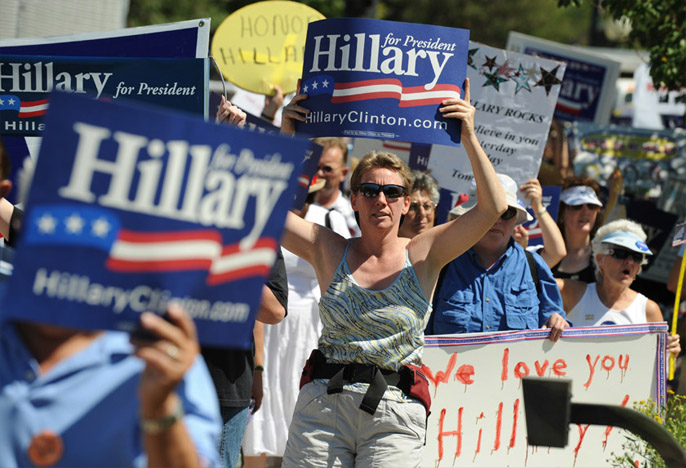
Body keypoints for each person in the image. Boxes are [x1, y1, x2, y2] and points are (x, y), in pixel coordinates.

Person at [279, 78, 508, 467]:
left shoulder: (425, 253)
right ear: (354, 200)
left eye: (393, 193)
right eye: (369, 191)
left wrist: (468, 133)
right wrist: (288, 137)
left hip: (394, 413)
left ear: (406, 204)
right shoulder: (327, 247)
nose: (380, 200)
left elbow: (492, 209)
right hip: (323, 409)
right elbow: (267, 209)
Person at [204, 97, 289, 468]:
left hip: (223, 387)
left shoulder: (258, 231)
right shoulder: (164, 218)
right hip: (158, 379)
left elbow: (272, 311)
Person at [243, 177, 348, 466]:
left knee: (296, 393)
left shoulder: (326, 220)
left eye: (305, 194)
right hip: (270, 324)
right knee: (263, 402)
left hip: (307, 326)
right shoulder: (268, 218)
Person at [428, 174, 569, 340]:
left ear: (516, 217)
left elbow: (556, 323)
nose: (497, 220)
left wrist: (558, 322)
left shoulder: (534, 265)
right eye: (489, 211)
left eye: (506, 213)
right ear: (471, 214)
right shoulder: (441, 262)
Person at [557, 219, 681, 357]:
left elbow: (659, 370)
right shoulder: (571, 293)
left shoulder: (649, 310)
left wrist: (671, 355)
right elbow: (534, 279)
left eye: (637, 256)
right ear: (600, 259)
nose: (629, 261)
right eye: (620, 254)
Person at [551, 177, 604, 283]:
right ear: (561, 214)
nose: (585, 211)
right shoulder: (544, 253)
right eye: (577, 206)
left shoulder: (606, 256)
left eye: (591, 206)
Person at [309, 137, 360, 238]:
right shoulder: (295, 208)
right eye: (314, 167)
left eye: (327, 169)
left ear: (343, 173)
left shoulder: (353, 215)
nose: (319, 173)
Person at [515, 178, 567, 268]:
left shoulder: (526, 261)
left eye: (512, 215)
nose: (500, 222)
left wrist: (538, 207)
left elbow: (557, 253)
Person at [398, 171, 440, 239]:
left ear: (435, 210)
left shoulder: (444, 248)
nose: (422, 213)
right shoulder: (380, 248)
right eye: (413, 207)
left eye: (426, 206)